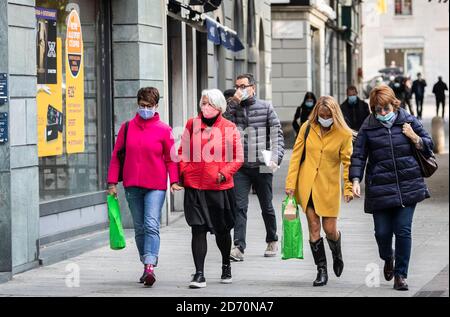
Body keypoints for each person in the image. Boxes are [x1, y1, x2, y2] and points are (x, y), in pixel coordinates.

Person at [350, 85, 434, 291]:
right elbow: (359, 155)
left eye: (386, 108)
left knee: (403, 230)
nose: (382, 113)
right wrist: (354, 180)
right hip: (379, 187)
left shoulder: (409, 121)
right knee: (382, 233)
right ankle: (388, 257)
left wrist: (414, 137)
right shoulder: (368, 126)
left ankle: (401, 275)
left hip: (408, 185)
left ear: (394, 104)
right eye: (378, 110)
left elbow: (429, 144)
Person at [107, 87, 182, 287]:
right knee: (139, 228)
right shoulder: (127, 128)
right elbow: (116, 157)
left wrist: (174, 180)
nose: (145, 109)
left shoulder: (164, 130)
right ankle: (145, 263)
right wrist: (112, 182)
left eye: (149, 106)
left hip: (155, 186)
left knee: (150, 224)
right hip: (132, 184)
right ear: (137, 104)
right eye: (142, 106)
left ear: (156, 106)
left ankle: (150, 265)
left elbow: (171, 159)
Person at [285, 96, 353, 287]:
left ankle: (336, 251)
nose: (324, 118)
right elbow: (296, 157)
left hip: (329, 187)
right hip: (307, 186)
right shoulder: (307, 127)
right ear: (317, 113)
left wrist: (348, 187)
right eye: (321, 115)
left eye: (328, 115)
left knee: (329, 229)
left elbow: (348, 163)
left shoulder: (344, 134)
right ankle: (321, 270)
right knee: (314, 227)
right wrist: (291, 183)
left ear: (334, 115)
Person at [179, 89, 244, 289]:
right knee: (197, 229)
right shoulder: (192, 124)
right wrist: (185, 171)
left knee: (222, 231)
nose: (205, 107)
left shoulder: (229, 127)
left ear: (219, 107)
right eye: (203, 103)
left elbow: (238, 157)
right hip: (195, 187)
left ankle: (226, 265)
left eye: (209, 104)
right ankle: (199, 274)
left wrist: (223, 173)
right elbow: (182, 151)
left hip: (218, 188)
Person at [225, 73, 285, 261]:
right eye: (237, 86)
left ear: (253, 87)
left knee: (266, 205)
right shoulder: (233, 107)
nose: (240, 90)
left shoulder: (266, 107)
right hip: (241, 165)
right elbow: (222, 123)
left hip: (263, 164)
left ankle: (272, 239)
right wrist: (233, 102)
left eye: (243, 86)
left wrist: (276, 157)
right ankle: (238, 247)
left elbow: (277, 135)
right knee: (239, 206)